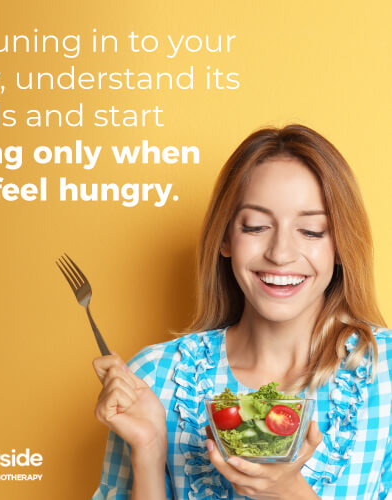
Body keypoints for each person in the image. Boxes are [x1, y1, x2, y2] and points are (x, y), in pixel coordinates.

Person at [91, 124, 392, 500]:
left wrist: (290, 494)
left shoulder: (385, 376)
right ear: (225, 237)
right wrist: (149, 450)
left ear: (341, 245)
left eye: (312, 231)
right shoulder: (155, 378)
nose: (280, 253)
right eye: (256, 226)